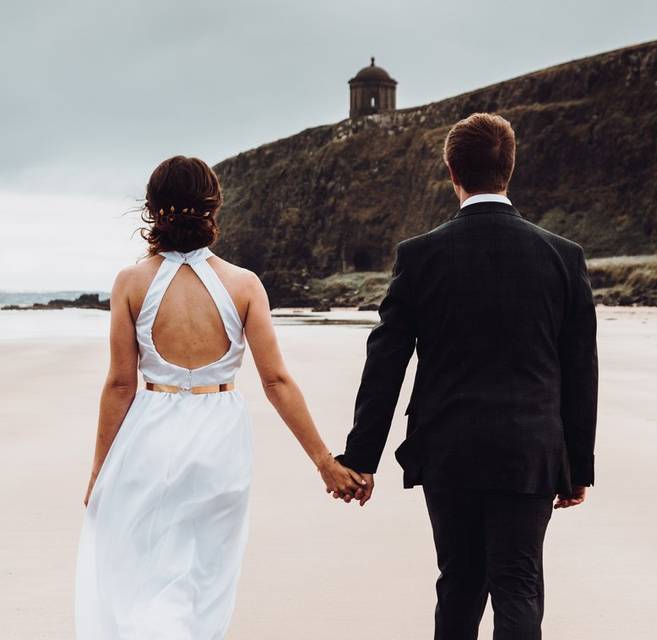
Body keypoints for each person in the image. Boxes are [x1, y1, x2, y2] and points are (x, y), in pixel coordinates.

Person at [75, 156, 364, 639]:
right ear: (213, 207)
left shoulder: (131, 283)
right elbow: (277, 382)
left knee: (146, 570)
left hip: (151, 430)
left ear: (152, 210)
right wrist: (324, 462)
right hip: (221, 437)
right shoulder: (243, 284)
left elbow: (121, 385)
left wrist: (99, 473)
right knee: (206, 577)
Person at [336, 113, 599, 639]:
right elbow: (580, 368)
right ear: (510, 169)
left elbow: (385, 360)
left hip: (449, 449)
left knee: (459, 583)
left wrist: (361, 459)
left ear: (452, 171)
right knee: (518, 585)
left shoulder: (420, 255)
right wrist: (578, 465)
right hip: (531, 450)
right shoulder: (562, 257)